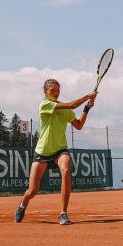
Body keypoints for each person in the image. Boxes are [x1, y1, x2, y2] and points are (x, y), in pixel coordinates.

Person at [14, 79, 97, 225]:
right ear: (46, 92)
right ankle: (22, 204)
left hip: (60, 149)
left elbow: (78, 125)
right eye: (52, 90)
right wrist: (87, 97)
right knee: (32, 191)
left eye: (58, 90)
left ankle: (63, 213)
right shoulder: (44, 105)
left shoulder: (65, 110)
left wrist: (87, 109)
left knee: (66, 170)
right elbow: (72, 105)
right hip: (42, 152)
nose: (56, 93)